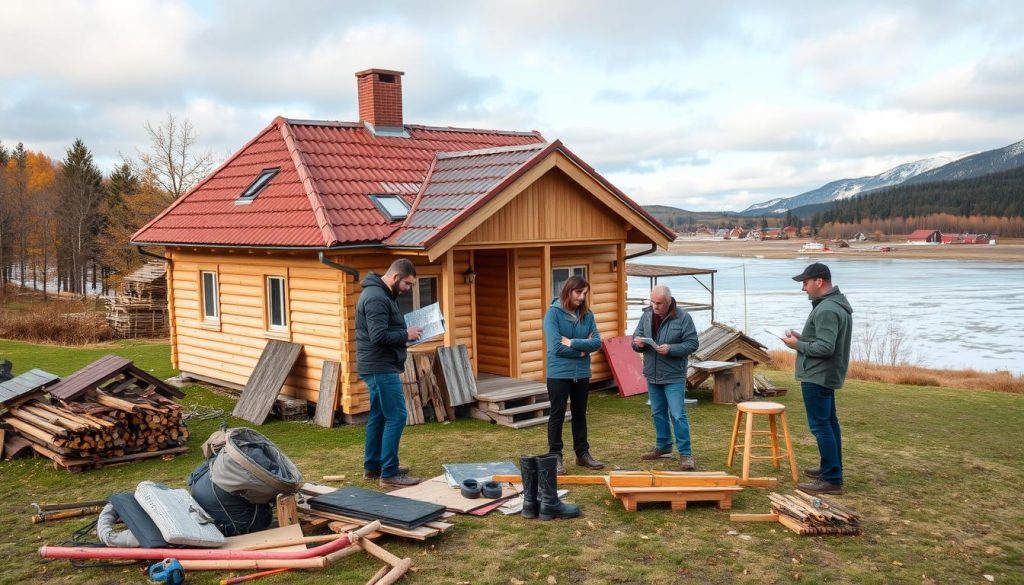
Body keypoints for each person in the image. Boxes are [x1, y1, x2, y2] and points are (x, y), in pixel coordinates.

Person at [783, 262, 852, 495]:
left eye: (805, 282)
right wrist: (800, 338)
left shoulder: (827, 309)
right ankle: (829, 468)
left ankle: (832, 478)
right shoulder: (833, 305)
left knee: (821, 426)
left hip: (817, 375)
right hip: (824, 374)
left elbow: (825, 347)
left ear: (819, 282)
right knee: (830, 423)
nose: (804, 288)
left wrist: (797, 345)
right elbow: (822, 341)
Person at [356, 258, 423, 488]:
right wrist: (406, 335)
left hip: (378, 365)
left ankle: (373, 467)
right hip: (380, 367)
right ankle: (390, 475)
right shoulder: (376, 297)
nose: (407, 289)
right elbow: (379, 336)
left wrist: (405, 333)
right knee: (397, 416)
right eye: (407, 284)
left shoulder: (383, 294)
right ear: (395, 277)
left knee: (379, 416)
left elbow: (385, 330)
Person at [631, 285, 700, 470]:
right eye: (652, 302)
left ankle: (686, 454)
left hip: (673, 375)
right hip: (652, 374)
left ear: (669, 302)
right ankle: (663, 447)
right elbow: (635, 339)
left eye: (659, 303)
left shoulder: (683, 317)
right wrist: (638, 344)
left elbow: (693, 344)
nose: (655, 306)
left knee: (677, 414)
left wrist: (671, 349)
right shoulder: (646, 315)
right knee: (657, 412)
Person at [543, 275, 604, 474]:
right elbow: (555, 348)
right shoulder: (553, 314)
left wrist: (573, 342)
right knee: (557, 415)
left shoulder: (588, 315)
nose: (582, 297)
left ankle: (582, 454)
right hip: (559, 373)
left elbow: (597, 343)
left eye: (585, 293)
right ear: (568, 291)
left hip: (582, 373)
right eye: (579, 292)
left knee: (580, 415)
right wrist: (581, 351)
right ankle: (555, 456)